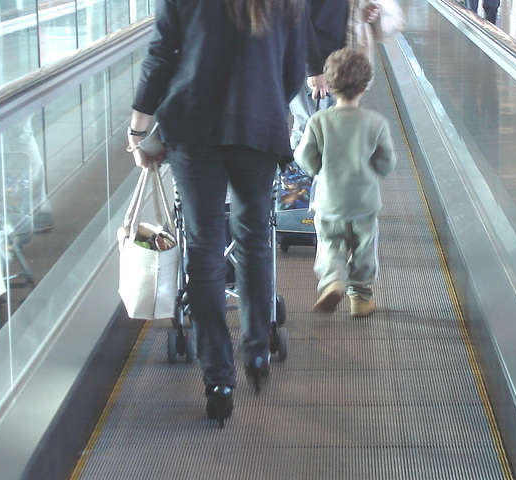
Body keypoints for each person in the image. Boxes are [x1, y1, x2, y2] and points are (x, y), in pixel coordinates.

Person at [127, 0, 307, 428]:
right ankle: (257, 350)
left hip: (193, 130)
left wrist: (138, 128)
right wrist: (262, 103)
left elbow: (161, 54)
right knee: (253, 240)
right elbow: (294, 68)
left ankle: (218, 380)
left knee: (205, 249)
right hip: (258, 129)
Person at [294, 48, 396, 317]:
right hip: (364, 202)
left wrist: (318, 168)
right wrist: (376, 169)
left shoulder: (319, 121)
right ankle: (360, 299)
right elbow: (387, 162)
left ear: (329, 84)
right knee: (365, 248)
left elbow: (304, 157)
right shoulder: (376, 122)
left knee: (330, 243)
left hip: (329, 201)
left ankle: (333, 280)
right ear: (364, 86)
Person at [290, 0, 384, 150]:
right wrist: (314, 69)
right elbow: (298, 21)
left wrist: (368, 13)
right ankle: (295, 170)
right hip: (311, 62)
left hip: (339, 61)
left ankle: (321, 171)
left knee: (331, 125)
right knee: (308, 125)